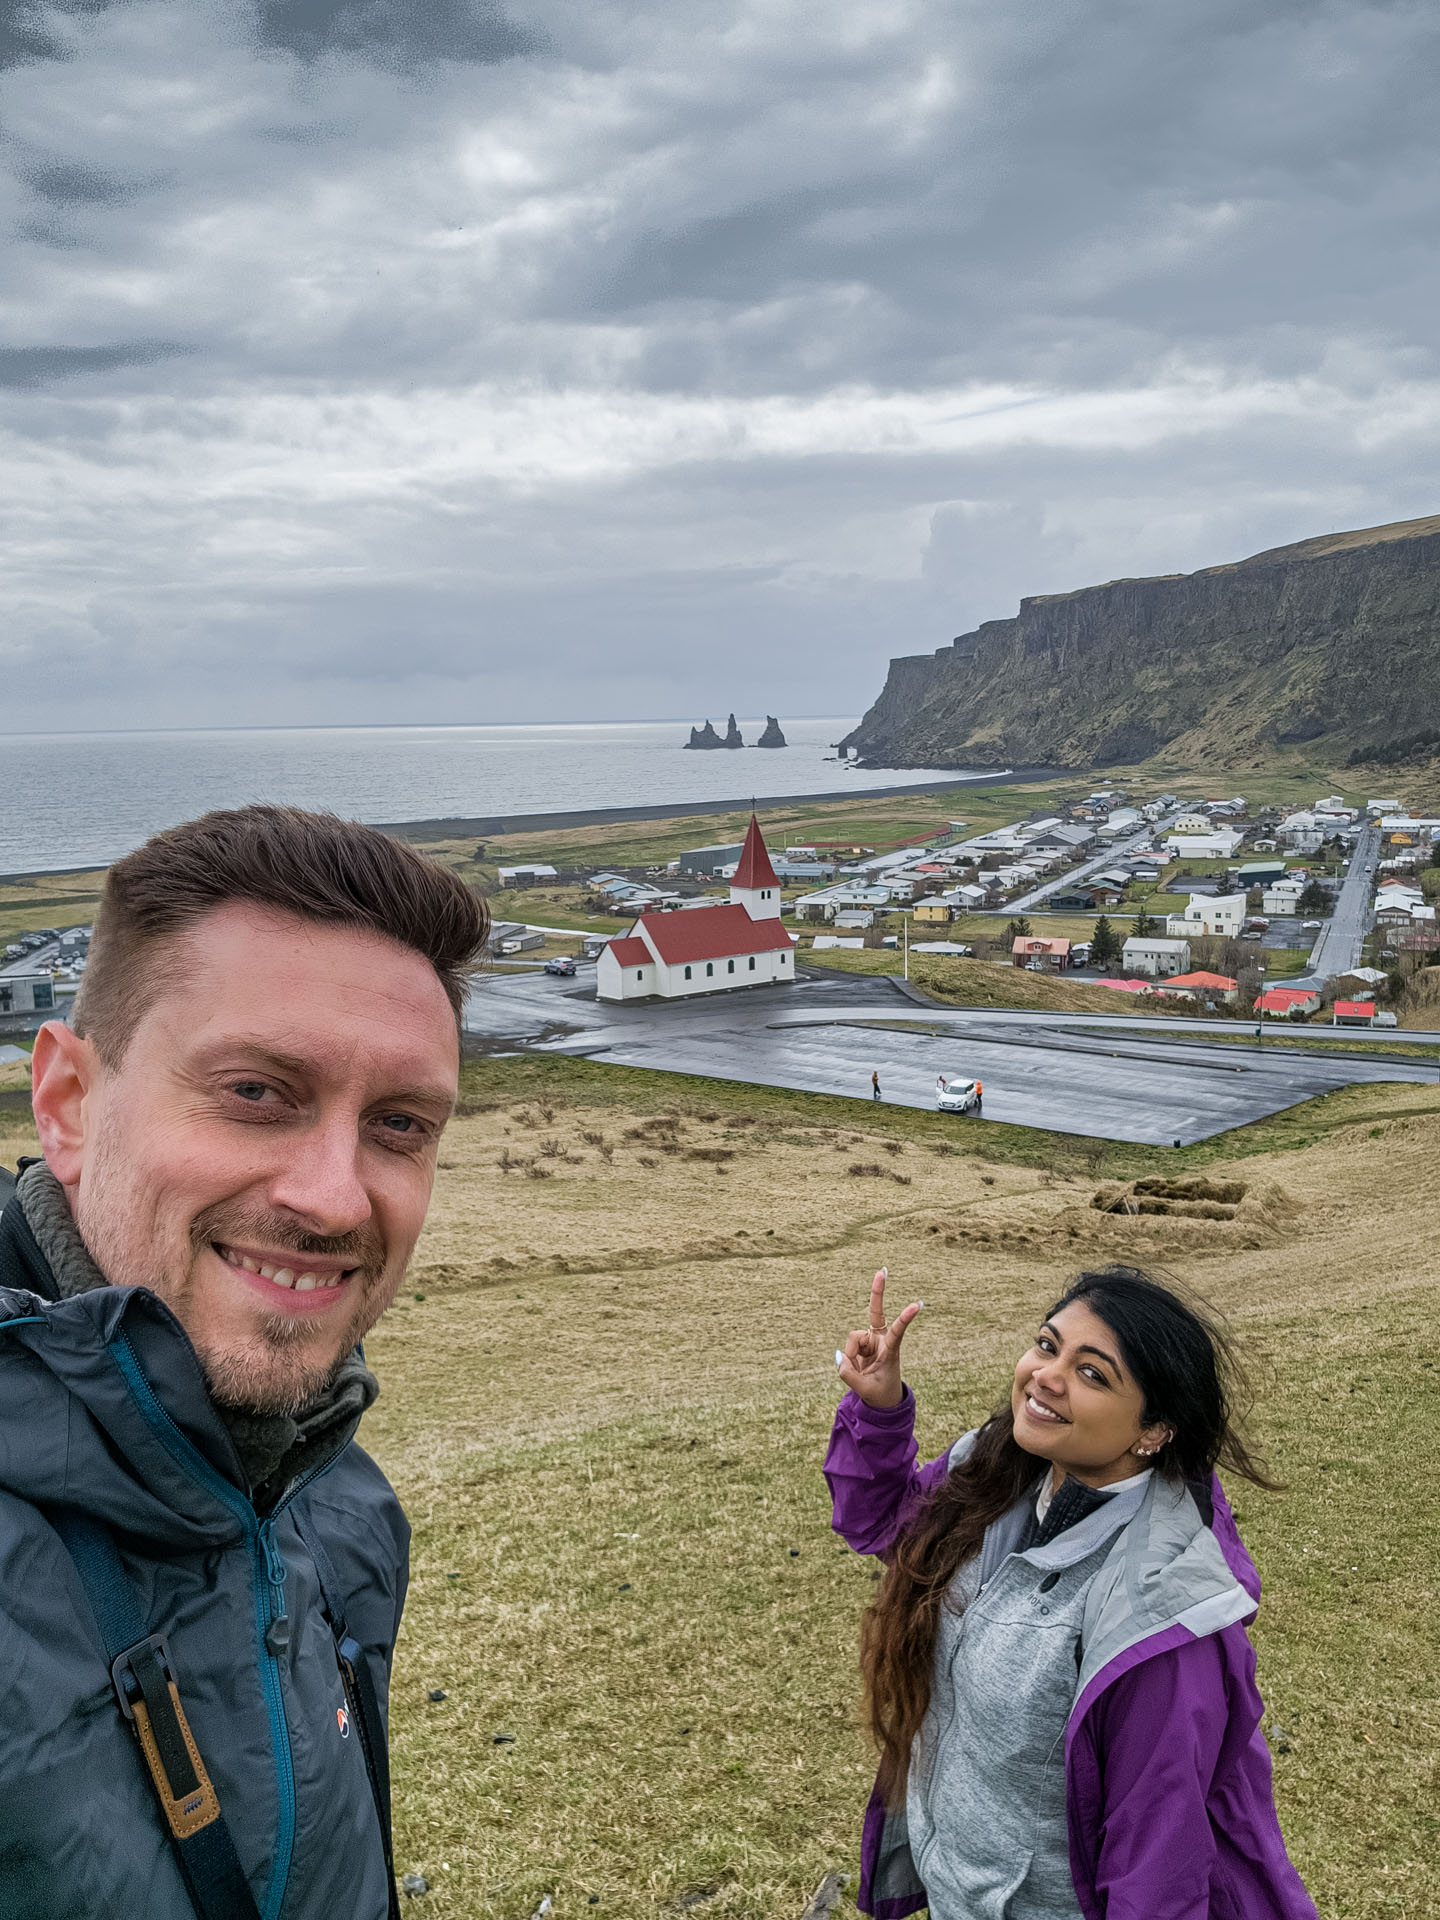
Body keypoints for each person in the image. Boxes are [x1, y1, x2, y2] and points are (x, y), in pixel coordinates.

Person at [0, 806, 489, 1920]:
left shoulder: (339, 1495)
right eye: (257, 1092)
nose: (333, 1195)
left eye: (401, 1124)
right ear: (69, 1105)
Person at [825, 1265, 1318, 1920]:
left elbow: (1157, 1862)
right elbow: (886, 1528)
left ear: (1154, 1430)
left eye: (1093, 1374)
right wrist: (881, 1412)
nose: (1047, 1376)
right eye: (1048, 1345)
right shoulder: (996, 1465)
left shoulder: (1155, 1620)